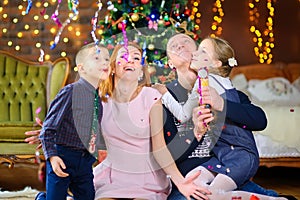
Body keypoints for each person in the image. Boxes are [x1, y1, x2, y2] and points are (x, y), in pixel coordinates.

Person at [153, 33, 281, 199]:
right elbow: (165, 154)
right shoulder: (162, 98)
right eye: (173, 45)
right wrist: (195, 133)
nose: (179, 45)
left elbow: (260, 120)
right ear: (170, 63)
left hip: (228, 170)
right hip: (190, 181)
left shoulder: (226, 91)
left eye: (186, 41)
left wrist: (221, 104)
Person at [92, 41, 210, 200]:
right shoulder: (101, 100)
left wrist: (180, 182)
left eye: (136, 58)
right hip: (112, 178)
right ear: (113, 67)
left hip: (146, 179)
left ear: (141, 70)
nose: (131, 60)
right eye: (124, 57)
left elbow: (160, 149)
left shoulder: (150, 97)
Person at [35, 43, 110, 200]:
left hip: (84, 162)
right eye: (97, 58)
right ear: (82, 69)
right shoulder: (70, 92)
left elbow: (94, 130)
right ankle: (41, 198)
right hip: (62, 156)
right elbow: (48, 129)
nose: (104, 62)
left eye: (107, 59)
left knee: (87, 197)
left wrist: (97, 151)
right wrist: (52, 157)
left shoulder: (98, 99)